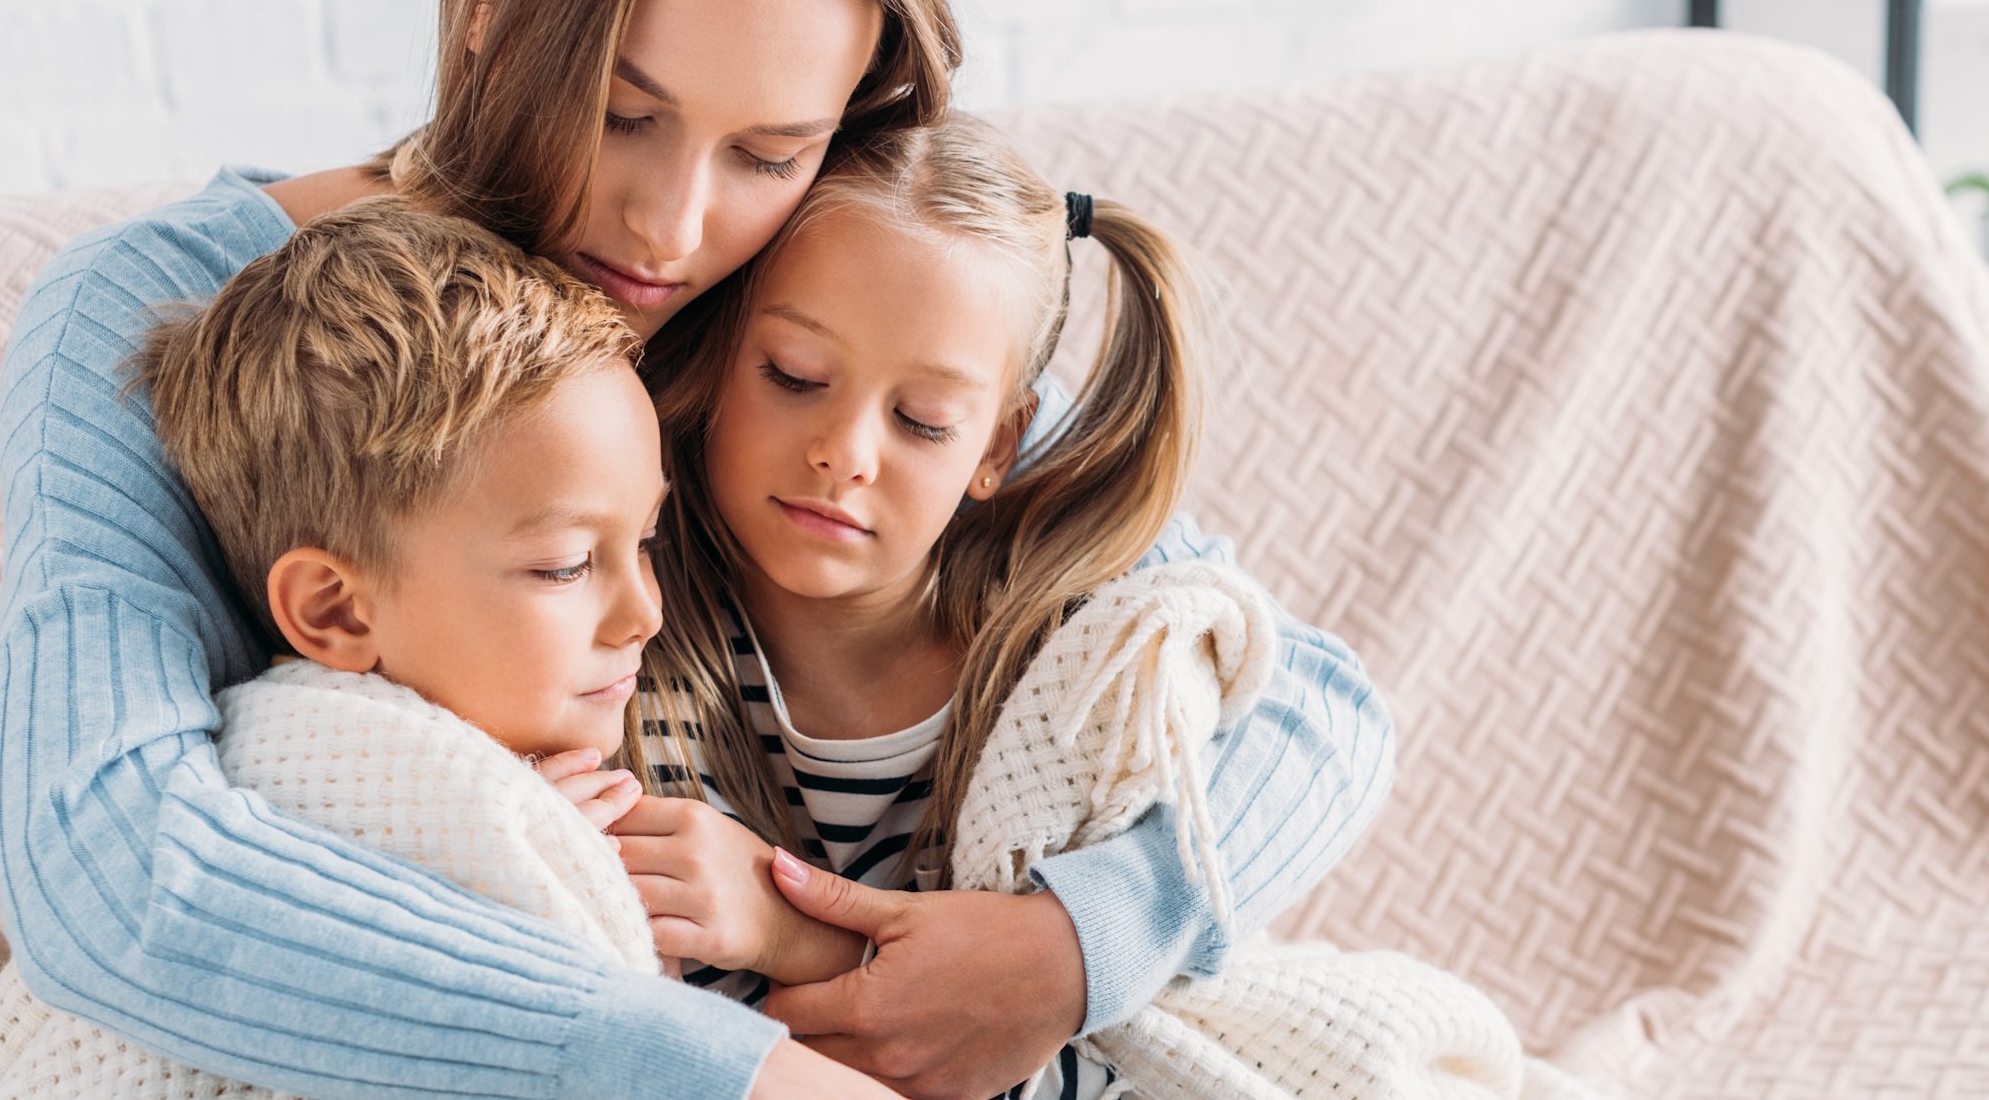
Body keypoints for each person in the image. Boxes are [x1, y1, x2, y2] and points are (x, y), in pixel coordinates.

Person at [0, 0, 1392, 1097]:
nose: (668, 229)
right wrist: (727, 1077)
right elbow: (108, 863)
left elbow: (1307, 702)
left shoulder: (806, 300)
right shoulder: (166, 304)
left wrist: (1075, 944)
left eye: (770, 151)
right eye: (622, 111)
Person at [615, 112, 1552, 1099]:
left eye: (923, 422)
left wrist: (1072, 942)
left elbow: (1325, 714)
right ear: (721, 353)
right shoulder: (633, 625)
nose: (844, 452)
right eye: (795, 375)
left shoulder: (1078, 662)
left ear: (999, 446)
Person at [0, 202, 677, 1095]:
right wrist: (509, 856)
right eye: (564, 566)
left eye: (647, 540)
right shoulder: (326, 796)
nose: (645, 612)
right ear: (334, 610)